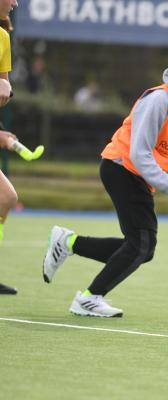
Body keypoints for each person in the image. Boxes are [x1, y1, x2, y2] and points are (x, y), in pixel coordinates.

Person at [42, 47, 168, 316]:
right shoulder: (159, 100)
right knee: (141, 245)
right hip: (121, 168)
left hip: (140, 176)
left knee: (142, 248)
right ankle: (88, 298)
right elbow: (139, 154)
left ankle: (68, 243)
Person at [0, 4, 20, 296]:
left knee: (6, 198)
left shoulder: (3, 38)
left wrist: (6, 88)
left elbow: (4, 88)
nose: (15, 2)